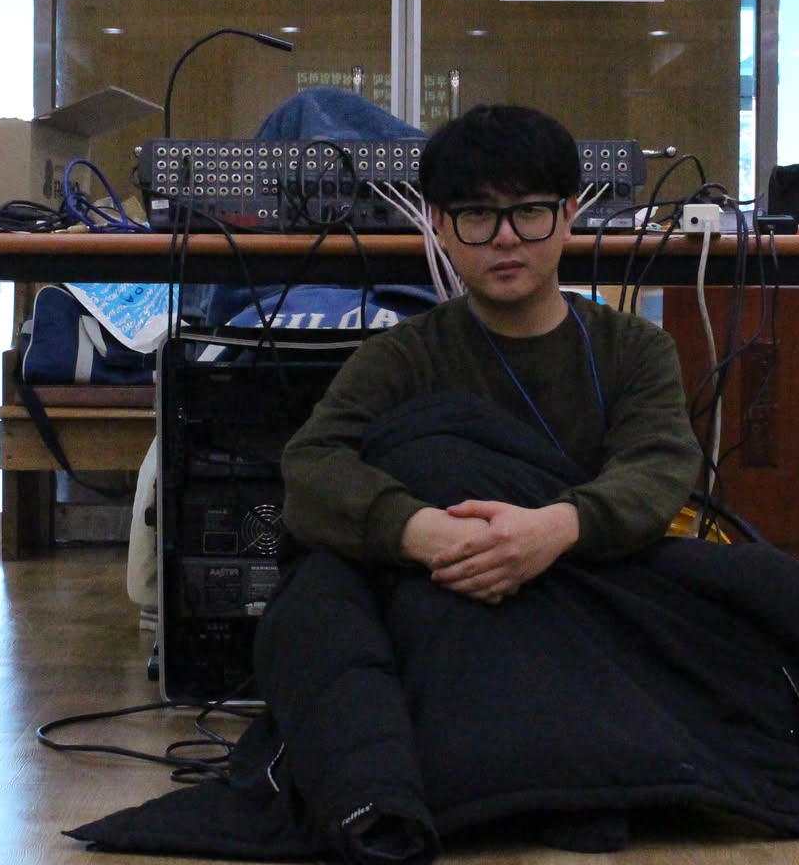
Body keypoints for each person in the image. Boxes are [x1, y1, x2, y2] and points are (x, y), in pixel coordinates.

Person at [281, 104, 702, 603]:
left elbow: (658, 466)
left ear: (569, 214)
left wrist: (554, 529)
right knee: (313, 596)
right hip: (442, 586)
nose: (506, 238)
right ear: (439, 225)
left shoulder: (635, 349)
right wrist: (420, 530)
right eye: (477, 215)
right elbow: (311, 464)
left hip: (589, 585)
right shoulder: (402, 355)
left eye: (529, 211)